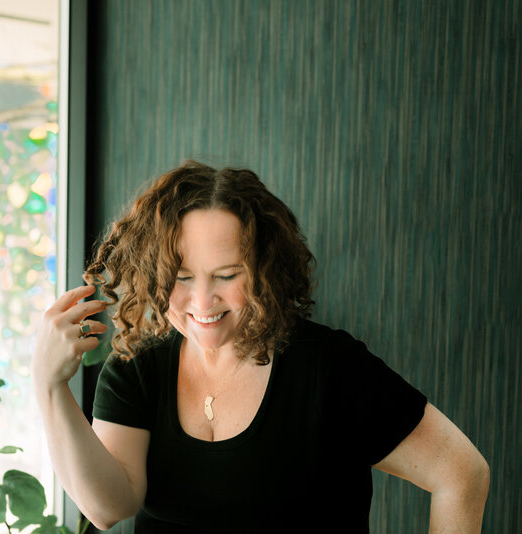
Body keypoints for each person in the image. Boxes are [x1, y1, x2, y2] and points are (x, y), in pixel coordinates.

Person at [32, 161, 489, 532]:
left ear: (263, 268)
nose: (202, 302)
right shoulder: (137, 366)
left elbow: (461, 474)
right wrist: (49, 386)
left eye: (227, 276)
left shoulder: (330, 368)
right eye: (183, 278)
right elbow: (109, 506)